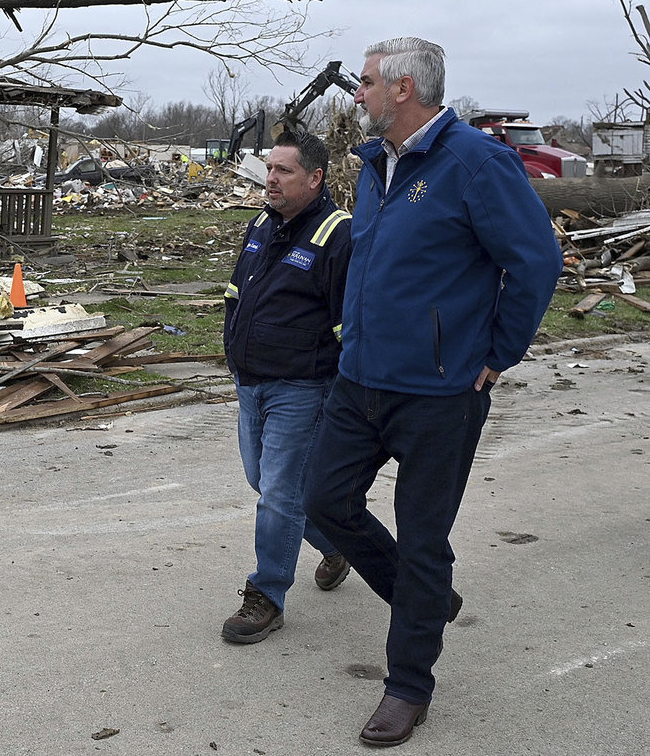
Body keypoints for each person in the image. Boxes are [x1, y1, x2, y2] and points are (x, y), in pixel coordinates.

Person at [303, 38, 562, 746]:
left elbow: (537, 261)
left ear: (403, 87)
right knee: (323, 501)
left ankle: (408, 686)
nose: (355, 94)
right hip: (361, 379)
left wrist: (499, 353)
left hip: (441, 392)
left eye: (364, 83)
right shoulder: (372, 166)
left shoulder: (476, 163)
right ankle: (425, 602)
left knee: (422, 539)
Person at [220, 130, 353, 644]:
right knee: (266, 483)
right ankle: (338, 544)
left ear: (315, 178)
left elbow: (349, 324)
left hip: (302, 388)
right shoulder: (262, 222)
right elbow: (238, 292)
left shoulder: (338, 234)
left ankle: (266, 595)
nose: (270, 179)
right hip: (250, 382)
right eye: (269, 169)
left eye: (283, 171)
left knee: (278, 493)